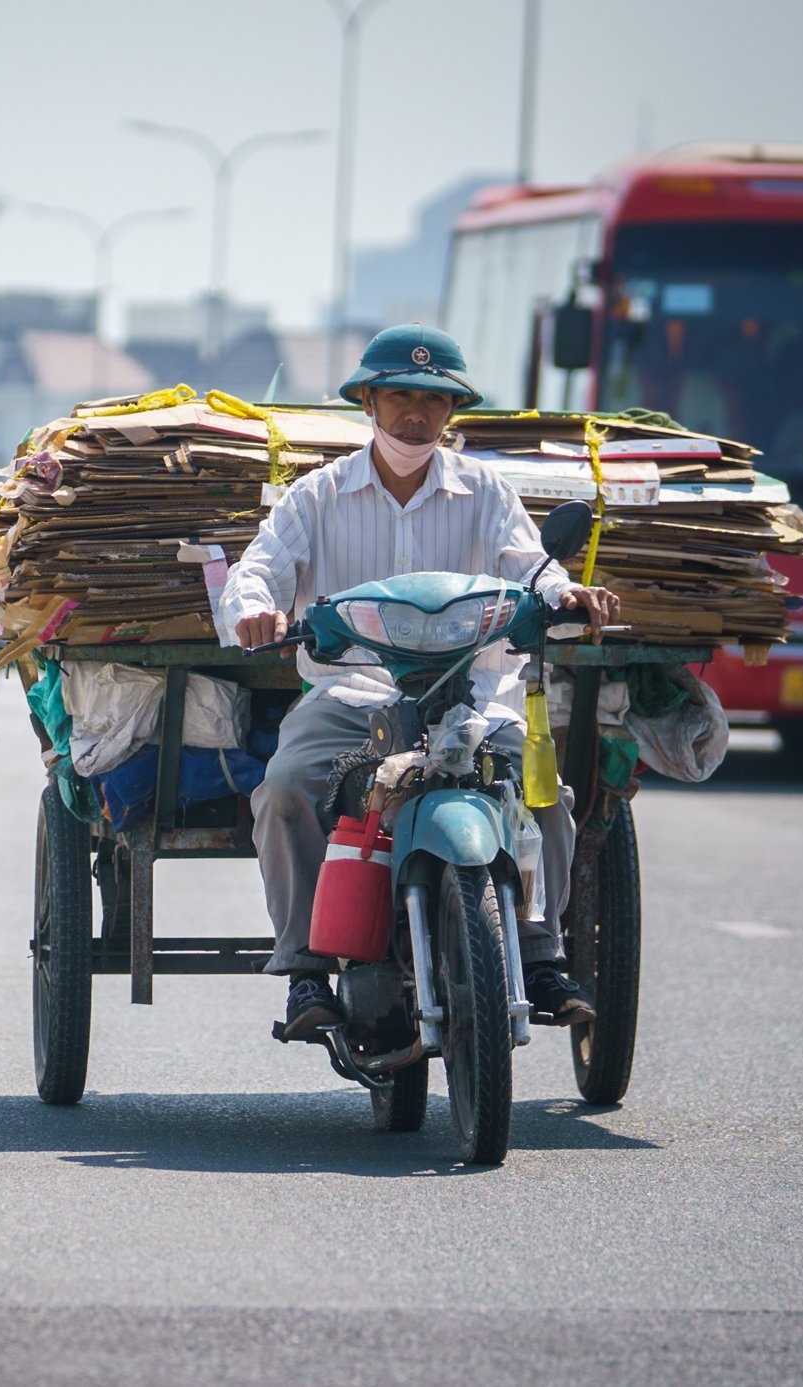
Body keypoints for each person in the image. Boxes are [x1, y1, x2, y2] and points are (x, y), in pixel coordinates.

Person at [220, 325, 620, 1040]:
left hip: (475, 700)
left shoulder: (486, 492)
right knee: (284, 787)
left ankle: (541, 951)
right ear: (368, 400)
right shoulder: (317, 496)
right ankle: (308, 968)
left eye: (434, 400)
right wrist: (252, 607)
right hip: (353, 699)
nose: (415, 413)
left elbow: (534, 565)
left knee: (546, 796)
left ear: (452, 411)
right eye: (400, 394)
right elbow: (258, 569)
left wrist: (567, 595)